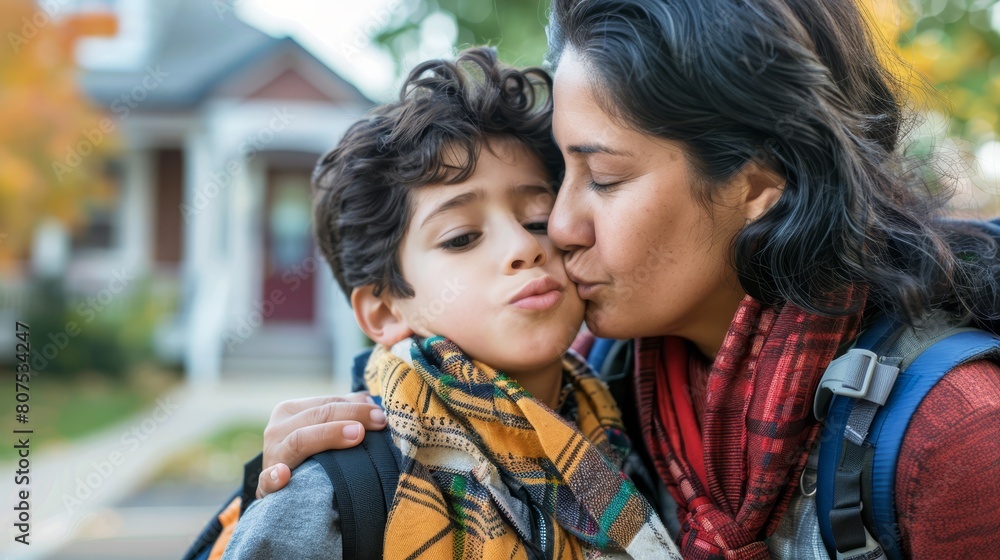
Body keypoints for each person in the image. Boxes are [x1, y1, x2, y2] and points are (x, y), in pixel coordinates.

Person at [251, 0, 1000, 558]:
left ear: (755, 183)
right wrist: (320, 468)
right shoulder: (608, 387)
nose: (557, 228)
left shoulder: (956, 440)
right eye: (563, 175)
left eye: (603, 179)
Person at [223, 47, 679, 559]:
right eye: (462, 237)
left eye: (536, 219)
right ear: (385, 311)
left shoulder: (641, 430)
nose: (523, 247)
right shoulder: (331, 494)